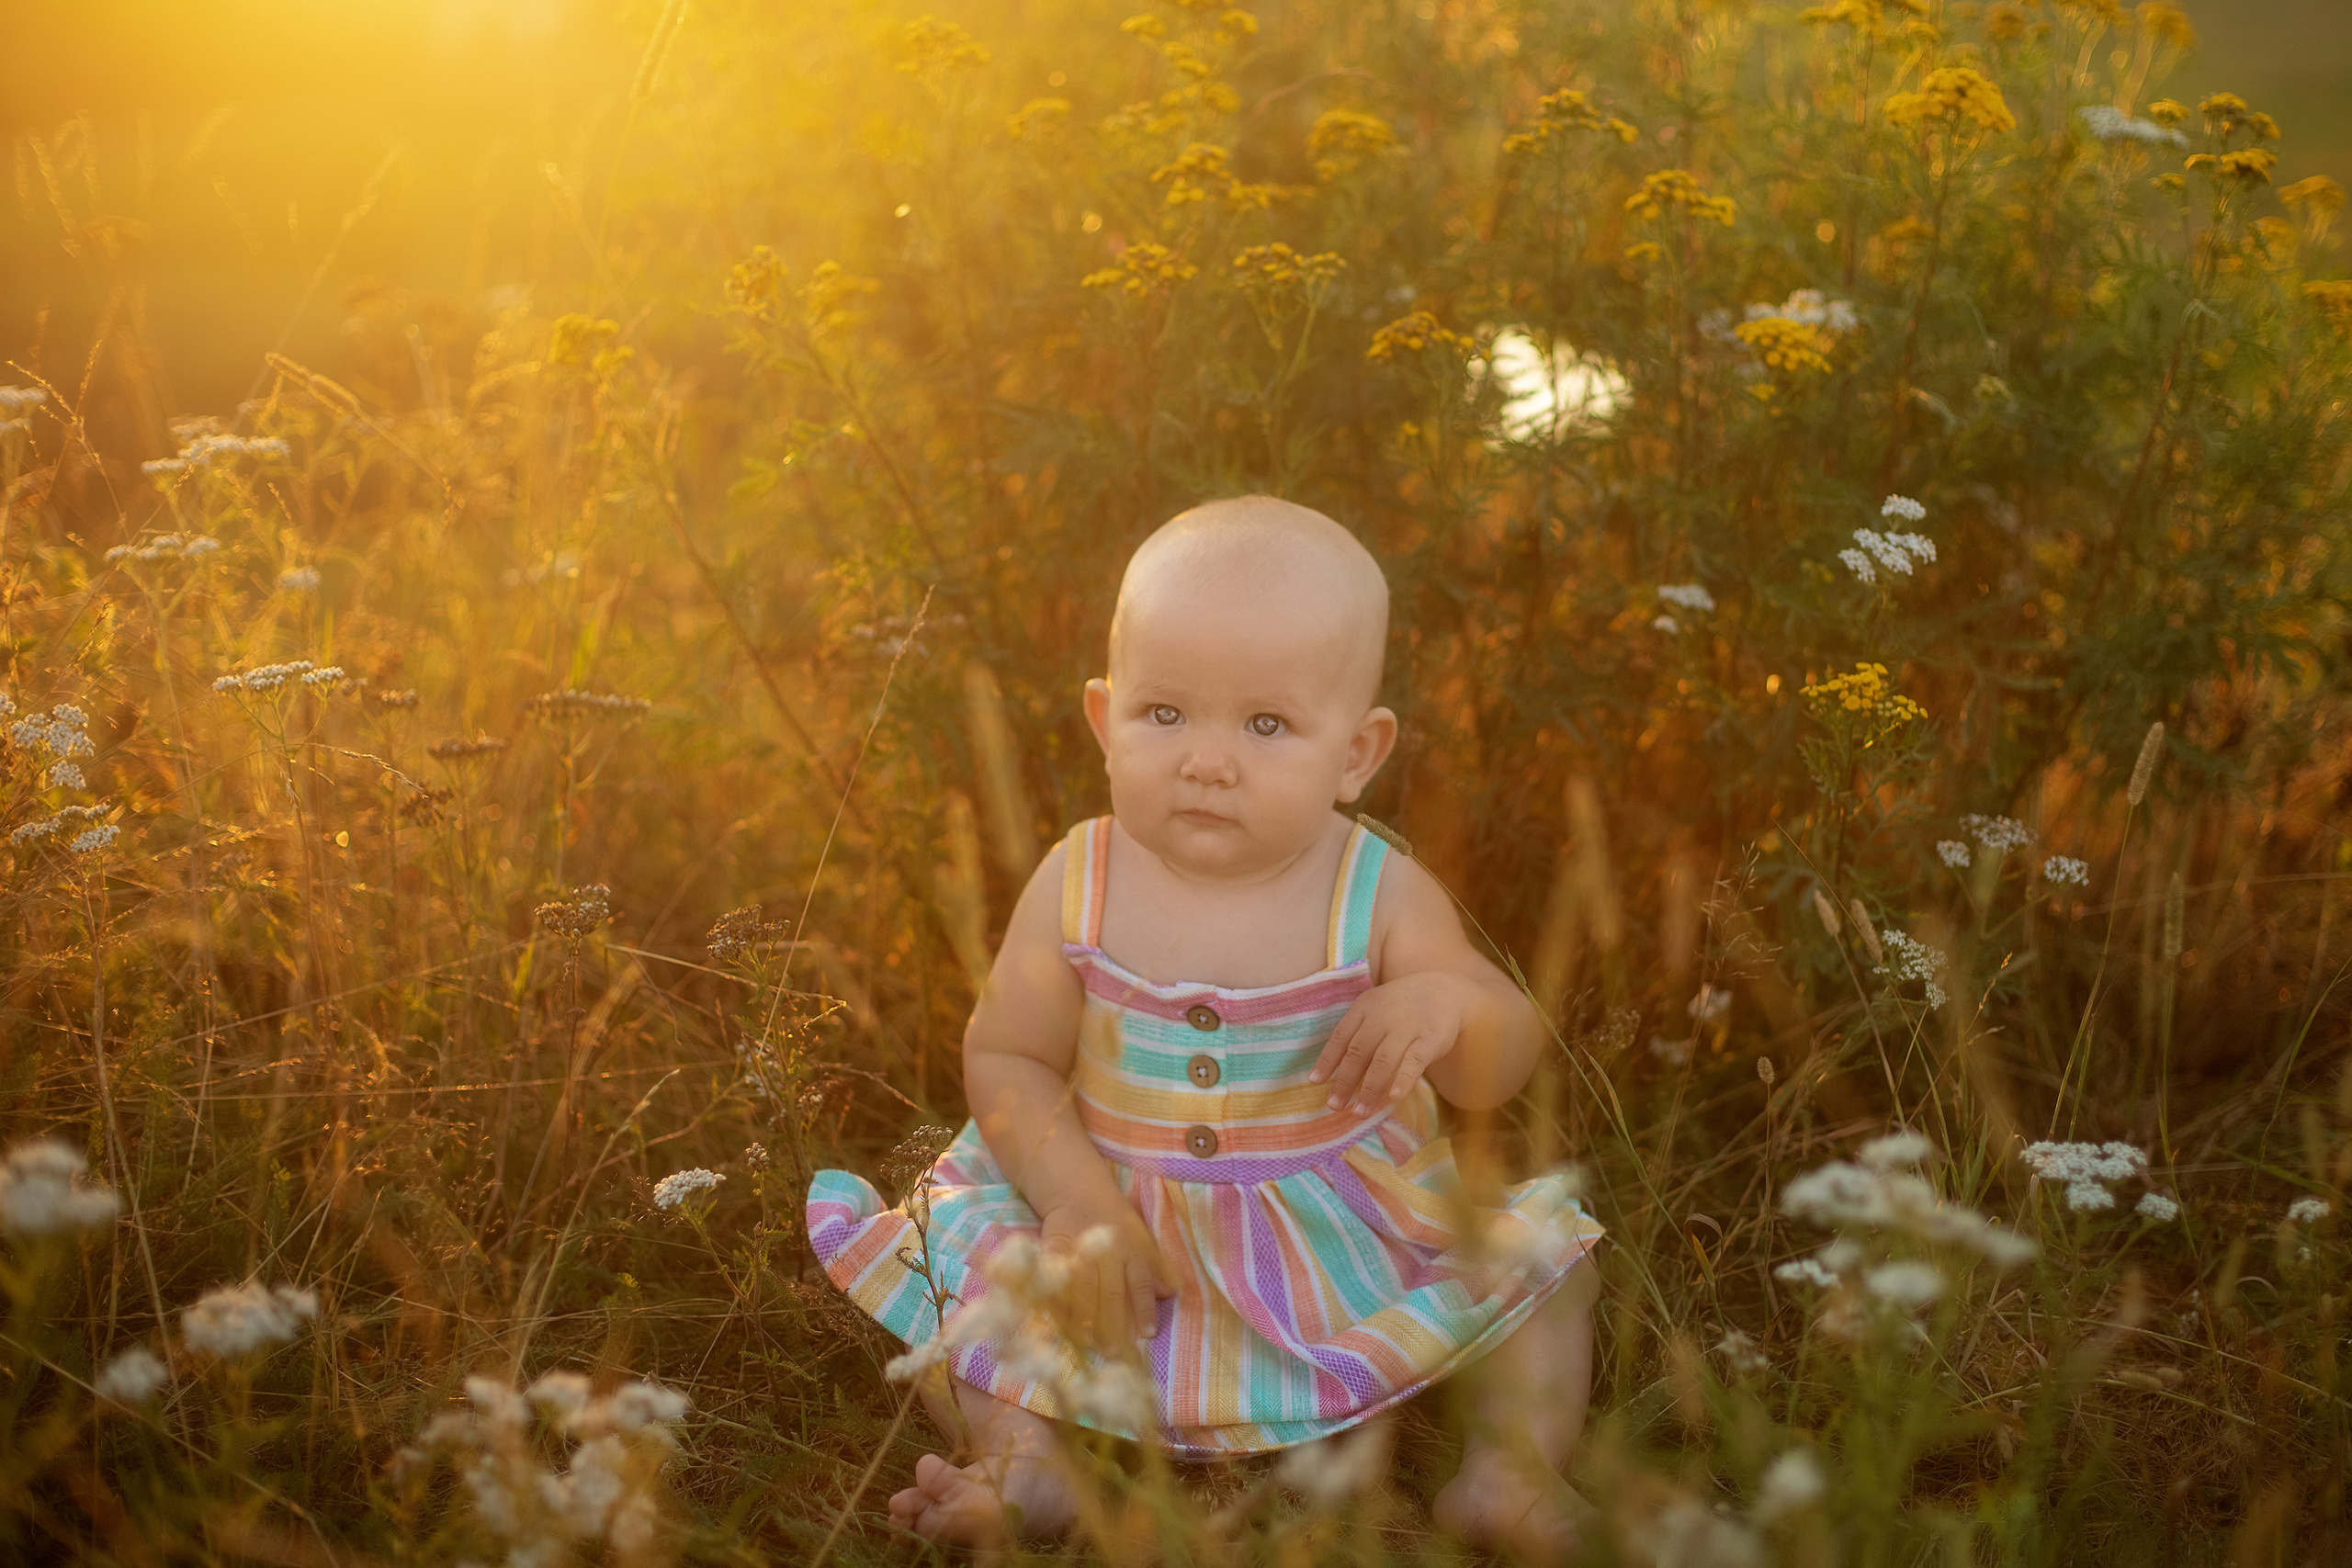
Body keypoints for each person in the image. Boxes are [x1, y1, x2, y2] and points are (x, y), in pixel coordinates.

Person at [807, 495, 1602, 1552]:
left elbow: (1493, 1071)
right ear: (1104, 719)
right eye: (1165, 714)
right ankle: (1021, 1461)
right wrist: (1075, 1204)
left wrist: (1447, 1003)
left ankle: (1512, 1471)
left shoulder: (1374, 888)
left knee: (1549, 1265)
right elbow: (1007, 1055)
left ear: (1357, 753)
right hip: (1108, 1225)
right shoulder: (1078, 878)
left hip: (1334, 1234)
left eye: (1265, 724)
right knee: (956, 1265)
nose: (1207, 760)